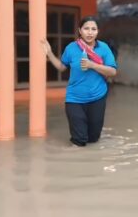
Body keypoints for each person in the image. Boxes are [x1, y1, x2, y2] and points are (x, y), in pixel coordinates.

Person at [41, 16, 117, 147]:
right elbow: (61, 66)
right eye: (86, 28)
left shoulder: (103, 48)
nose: (90, 32)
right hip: (74, 98)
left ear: (98, 31)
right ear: (80, 30)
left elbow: (112, 71)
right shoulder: (71, 48)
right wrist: (49, 53)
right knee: (79, 140)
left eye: (93, 29)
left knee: (93, 139)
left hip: (97, 97)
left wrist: (92, 65)